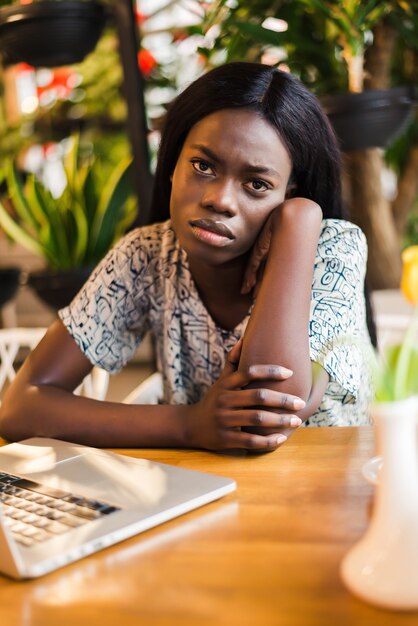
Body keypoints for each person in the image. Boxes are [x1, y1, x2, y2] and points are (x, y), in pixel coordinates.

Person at [0, 62, 373, 452]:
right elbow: (21, 405)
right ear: (174, 163)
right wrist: (189, 425)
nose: (220, 200)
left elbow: (269, 414)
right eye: (203, 166)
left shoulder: (331, 248)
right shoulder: (146, 255)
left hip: (327, 495)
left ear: (288, 193)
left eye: (258, 184)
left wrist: (300, 218)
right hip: (204, 491)